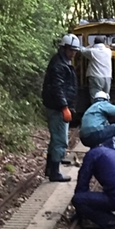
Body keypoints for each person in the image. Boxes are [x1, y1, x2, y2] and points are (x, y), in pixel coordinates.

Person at [40, 33, 80, 182]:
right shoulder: (59, 65)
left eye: (75, 51)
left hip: (57, 106)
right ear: (64, 49)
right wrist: (64, 107)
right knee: (60, 140)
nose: (73, 53)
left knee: (55, 139)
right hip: (57, 108)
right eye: (71, 50)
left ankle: (50, 169)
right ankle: (55, 172)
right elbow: (57, 88)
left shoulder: (62, 62)